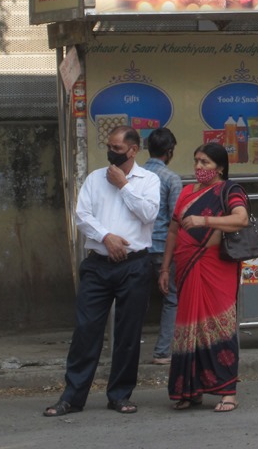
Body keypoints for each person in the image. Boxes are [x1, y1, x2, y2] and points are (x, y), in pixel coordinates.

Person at [43, 126, 160, 417]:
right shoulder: (94, 178)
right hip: (98, 264)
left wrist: (124, 186)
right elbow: (82, 216)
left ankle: (120, 395)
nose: (112, 152)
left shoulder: (148, 180)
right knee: (86, 330)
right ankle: (72, 397)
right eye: (109, 146)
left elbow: (149, 214)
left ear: (133, 150)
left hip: (135, 264)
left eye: (118, 148)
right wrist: (107, 236)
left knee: (128, 333)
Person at [159, 142, 250, 412]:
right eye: (197, 161)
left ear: (220, 167)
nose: (199, 167)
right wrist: (165, 268)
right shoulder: (186, 192)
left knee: (219, 327)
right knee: (188, 330)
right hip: (186, 268)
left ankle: (228, 392)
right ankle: (190, 391)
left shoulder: (229, 190)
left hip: (215, 268)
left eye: (206, 163)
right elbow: (173, 232)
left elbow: (241, 219)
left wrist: (204, 221)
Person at [145, 128, 183, 365]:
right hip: (162, 248)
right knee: (171, 298)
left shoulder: (133, 175)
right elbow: (175, 219)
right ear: (169, 152)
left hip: (136, 248)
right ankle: (162, 352)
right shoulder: (171, 179)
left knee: (133, 300)